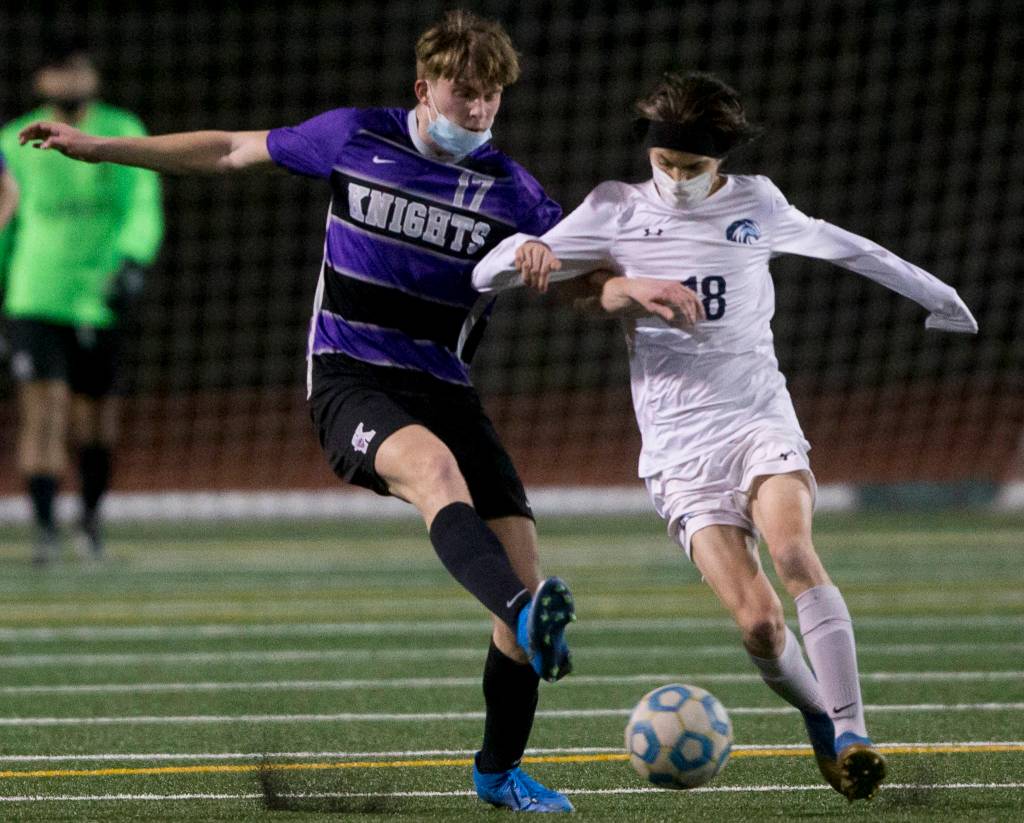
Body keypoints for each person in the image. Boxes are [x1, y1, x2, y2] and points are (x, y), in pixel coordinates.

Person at [18, 11, 577, 813]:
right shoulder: (355, 136)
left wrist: (580, 264)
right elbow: (228, 148)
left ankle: (498, 769)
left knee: (520, 567)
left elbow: (591, 268)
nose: (480, 110)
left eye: (492, 96)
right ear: (423, 89)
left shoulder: (511, 189)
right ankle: (525, 615)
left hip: (446, 387)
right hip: (350, 378)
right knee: (436, 476)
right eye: (465, 94)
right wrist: (102, 147)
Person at [473, 70, 978, 802]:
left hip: (756, 417)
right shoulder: (614, 208)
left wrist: (941, 297)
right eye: (665, 163)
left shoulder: (756, 203)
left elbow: (848, 248)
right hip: (679, 451)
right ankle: (819, 715)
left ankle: (852, 731)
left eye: (693, 166)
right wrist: (522, 252)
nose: (676, 180)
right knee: (760, 625)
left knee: (794, 551)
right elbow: (489, 275)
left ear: (722, 159)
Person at [0, 42, 164, 563]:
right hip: (35, 295)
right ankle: (45, 532)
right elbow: (5, 221)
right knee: (43, 413)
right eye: (58, 71)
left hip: (101, 296)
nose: (69, 81)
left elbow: (143, 204)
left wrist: (133, 260)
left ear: (92, 76)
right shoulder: (13, 139)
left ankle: (90, 523)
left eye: (77, 70)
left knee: (97, 422)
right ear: (40, 81)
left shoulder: (122, 129)